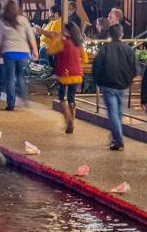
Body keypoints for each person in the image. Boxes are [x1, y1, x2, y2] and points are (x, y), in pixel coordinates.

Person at [92, 22, 139, 151]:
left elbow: (97, 67)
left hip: (108, 85)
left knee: (113, 113)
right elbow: (135, 69)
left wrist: (99, 81)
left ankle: (118, 139)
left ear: (109, 35)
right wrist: (128, 81)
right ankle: (116, 136)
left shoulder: (104, 50)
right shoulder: (129, 50)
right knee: (118, 113)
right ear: (122, 34)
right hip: (122, 86)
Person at [0, 0, 38, 112]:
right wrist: (35, 49)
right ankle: (24, 99)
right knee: (21, 77)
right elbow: (31, 35)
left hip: (9, 53)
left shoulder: (2, 21)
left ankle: (11, 104)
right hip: (23, 52)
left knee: (10, 79)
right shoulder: (23, 20)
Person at [53, 20, 85, 134]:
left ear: (68, 32)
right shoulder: (79, 44)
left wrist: (56, 39)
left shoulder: (63, 43)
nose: (63, 31)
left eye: (64, 29)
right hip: (77, 75)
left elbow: (51, 50)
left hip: (64, 75)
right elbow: (85, 58)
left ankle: (69, 120)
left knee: (62, 97)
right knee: (71, 97)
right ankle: (72, 119)